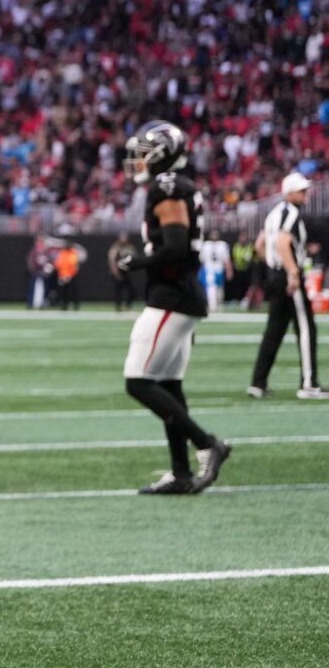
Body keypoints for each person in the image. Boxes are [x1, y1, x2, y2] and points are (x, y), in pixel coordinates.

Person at [113, 121, 231, 494]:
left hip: (171, 296)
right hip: (181, 294)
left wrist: (137, 262)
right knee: (168, 385)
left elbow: (176, 246)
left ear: (163, 154)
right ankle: (180, 473)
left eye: (144, 154)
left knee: (138, 381)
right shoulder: (175, 184)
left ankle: (207, 444)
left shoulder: (166, 186)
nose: (137, 161)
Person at [248, 172, 323, 399]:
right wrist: (291, 272)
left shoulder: (273, 213)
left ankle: (258, 383)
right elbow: (282, 243)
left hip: (275, 275)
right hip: (288, 277)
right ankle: (309, 384)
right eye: (301, 191)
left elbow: (260, 245)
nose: (305, 194)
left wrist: (273, 266)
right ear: (289, 193)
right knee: (306, 328)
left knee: (275, 330)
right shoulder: (291, 213)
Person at [109, 234, 137, 312]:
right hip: (119, 272)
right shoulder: (115, 248)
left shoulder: (130, 247)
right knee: (118, 291)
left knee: (132, 290)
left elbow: (134, 258)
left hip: (126, 272)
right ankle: (118, 307)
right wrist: (116, 272)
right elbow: (112, 261)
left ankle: (127, 306)